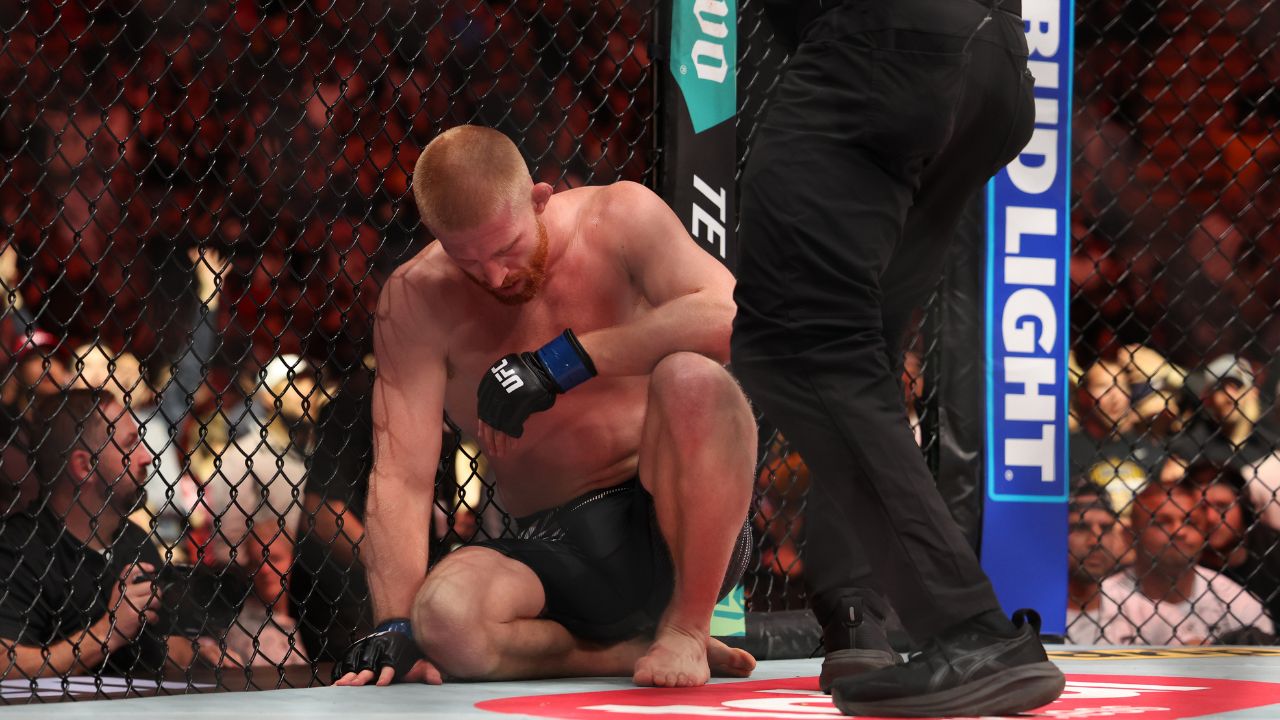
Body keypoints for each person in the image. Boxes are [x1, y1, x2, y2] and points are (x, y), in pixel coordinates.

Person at [331, 125, 757, 688]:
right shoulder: (415, 299)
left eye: (506, 248)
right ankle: (624, 653)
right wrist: (396, 624)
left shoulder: (617, 217)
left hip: (672, 518)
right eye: (469, 261)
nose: (495, 276)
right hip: (557, 547)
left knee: (693, 379)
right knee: (444, 619)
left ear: (538, 198)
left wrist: (563, 361)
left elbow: (732, 317)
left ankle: (685, 626)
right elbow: (401, 476)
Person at [731, 0, 1064, 715]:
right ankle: (859, 614)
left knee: (799, 345)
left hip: (882, 51)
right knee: (858, 352)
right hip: (994, 59)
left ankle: (968, 628)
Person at [0, 389, 236, 677]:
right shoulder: (18, 549)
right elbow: (4, 663)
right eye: (129, 445)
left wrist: (198, 652)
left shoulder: (134, 542)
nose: (147, 457)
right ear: (85, 466)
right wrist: (107, 633)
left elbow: (159, 646)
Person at [1096, 478, 1273, 645]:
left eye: (1190, 522)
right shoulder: (1102, 602)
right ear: (1130, 536)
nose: (1179, 531)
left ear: (1204, 534)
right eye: (1161, 522)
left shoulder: (1237, 603)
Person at [1065, 481, 1125, 644]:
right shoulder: (1027, 611)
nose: (1096, 541)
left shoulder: (1138, 609)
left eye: (1105, 528)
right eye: (1081, 527)